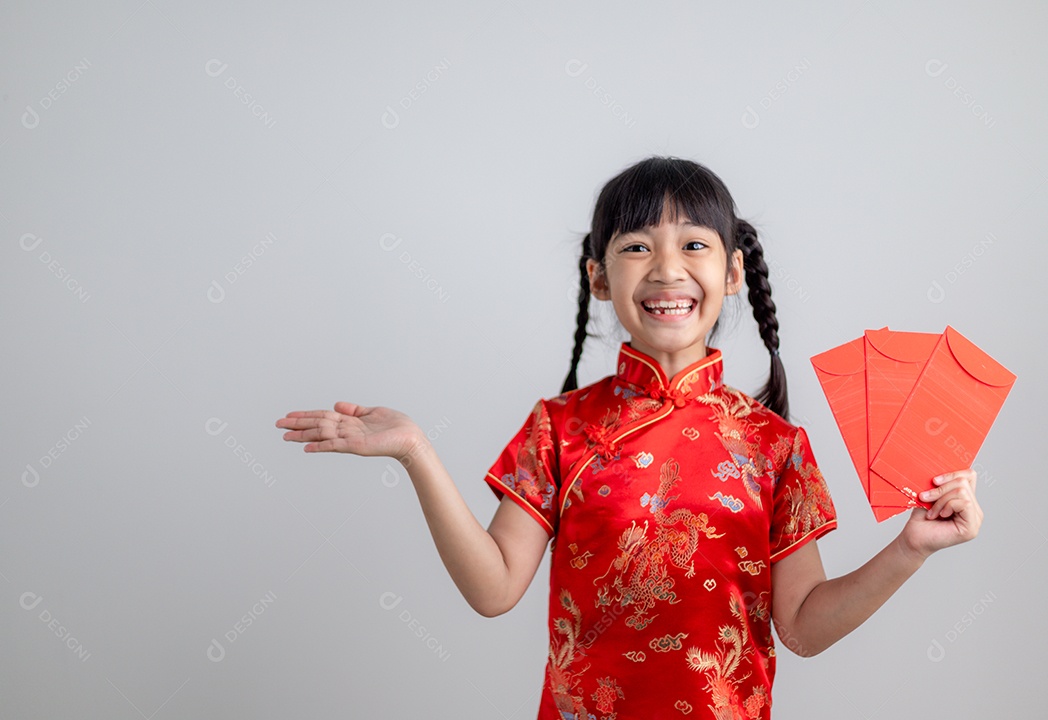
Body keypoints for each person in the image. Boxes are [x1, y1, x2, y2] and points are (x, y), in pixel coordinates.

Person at [275, 156, 983, 719]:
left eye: (694, 245)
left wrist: (910, 548)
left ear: (732, 272)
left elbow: (801, 628)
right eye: (637, 246)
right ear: (600, 278)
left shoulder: (774, 445)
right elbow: (493, 590)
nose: (668, 269)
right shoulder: (559, 429)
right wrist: (415, 452)